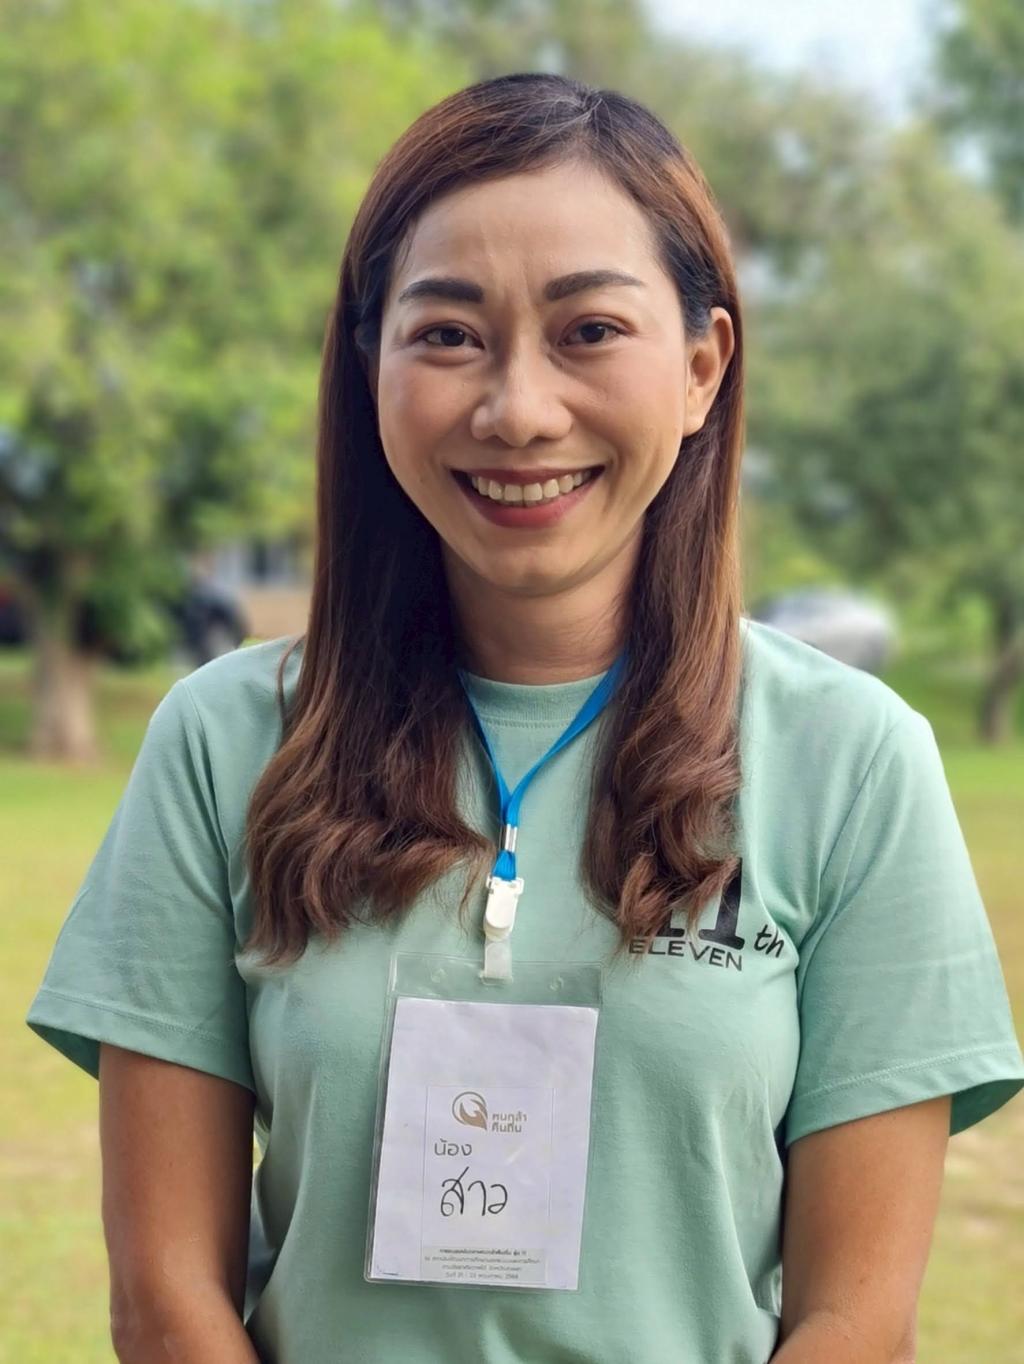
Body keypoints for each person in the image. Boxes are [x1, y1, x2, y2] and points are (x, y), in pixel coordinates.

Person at [26, 72, 1024, 1364]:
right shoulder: (223, 746)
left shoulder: (855, 763)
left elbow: (857, 1322)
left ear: (702, 368)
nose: (519, 410)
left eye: (589, 330)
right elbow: (167, 1302)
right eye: (448, 335)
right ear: (370, 368)